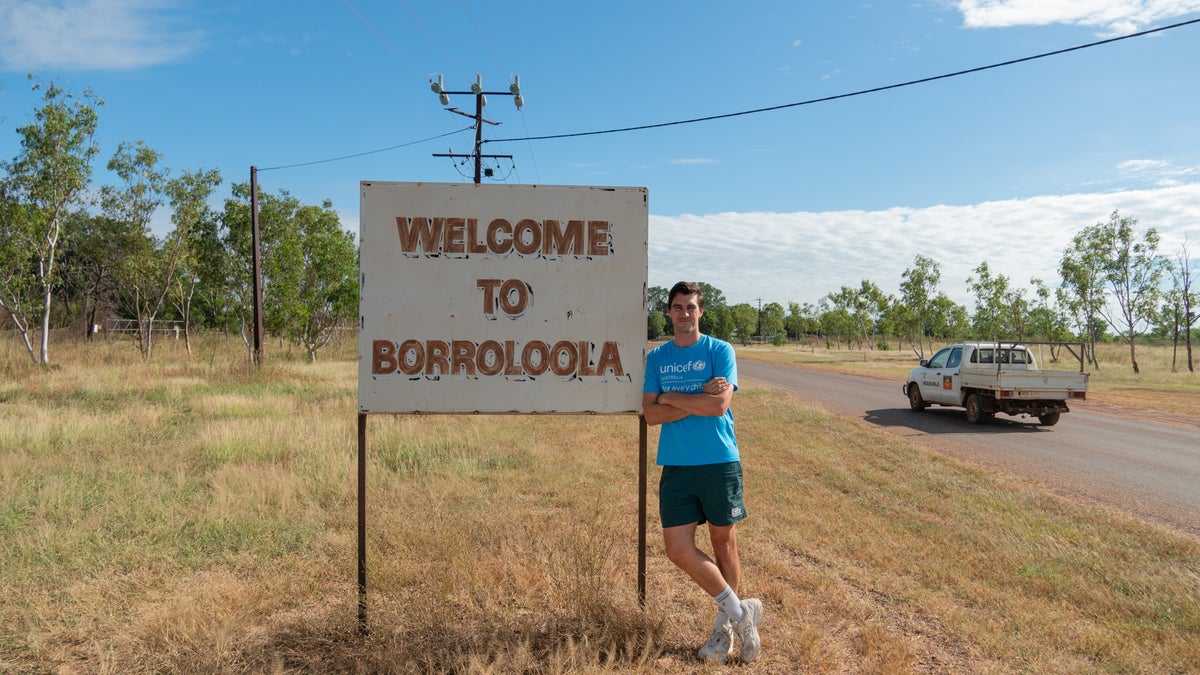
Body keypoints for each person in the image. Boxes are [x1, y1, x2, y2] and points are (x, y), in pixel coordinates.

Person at [643, 281, 764, 664]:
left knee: (723, 544)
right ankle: (742, 614)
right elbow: (651, 415)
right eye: (678, 307)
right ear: (669, 312)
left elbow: (718, 406)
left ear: (701, 311)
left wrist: (670, 397)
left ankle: (722, 629)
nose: (684, 314)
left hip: (718, 461)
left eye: (691, 307)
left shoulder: (719, 351)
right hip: (677, 464)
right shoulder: (657, 358)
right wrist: (696, 396)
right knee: (677, 549)